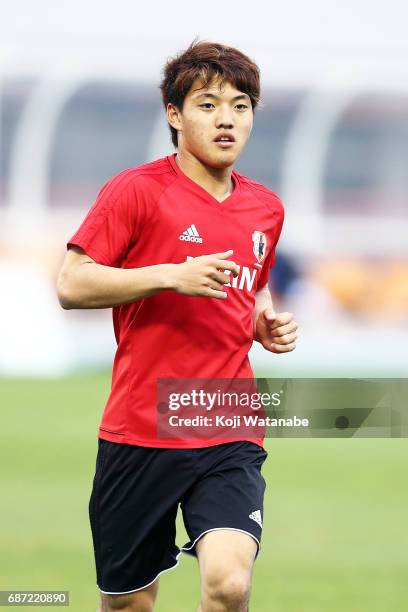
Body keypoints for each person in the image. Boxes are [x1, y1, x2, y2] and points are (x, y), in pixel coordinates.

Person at [57, 39, 298, 612]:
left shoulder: (267, 208)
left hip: (226, 420)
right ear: (174, 114)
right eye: (208, 104)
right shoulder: (136, 191)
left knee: (229, 583)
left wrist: (261, 322)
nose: (226, 120)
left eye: (240, 106)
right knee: (128, 604)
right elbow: (71, 283)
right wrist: (170, 276)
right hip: (141, 428)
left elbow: (251, 284)